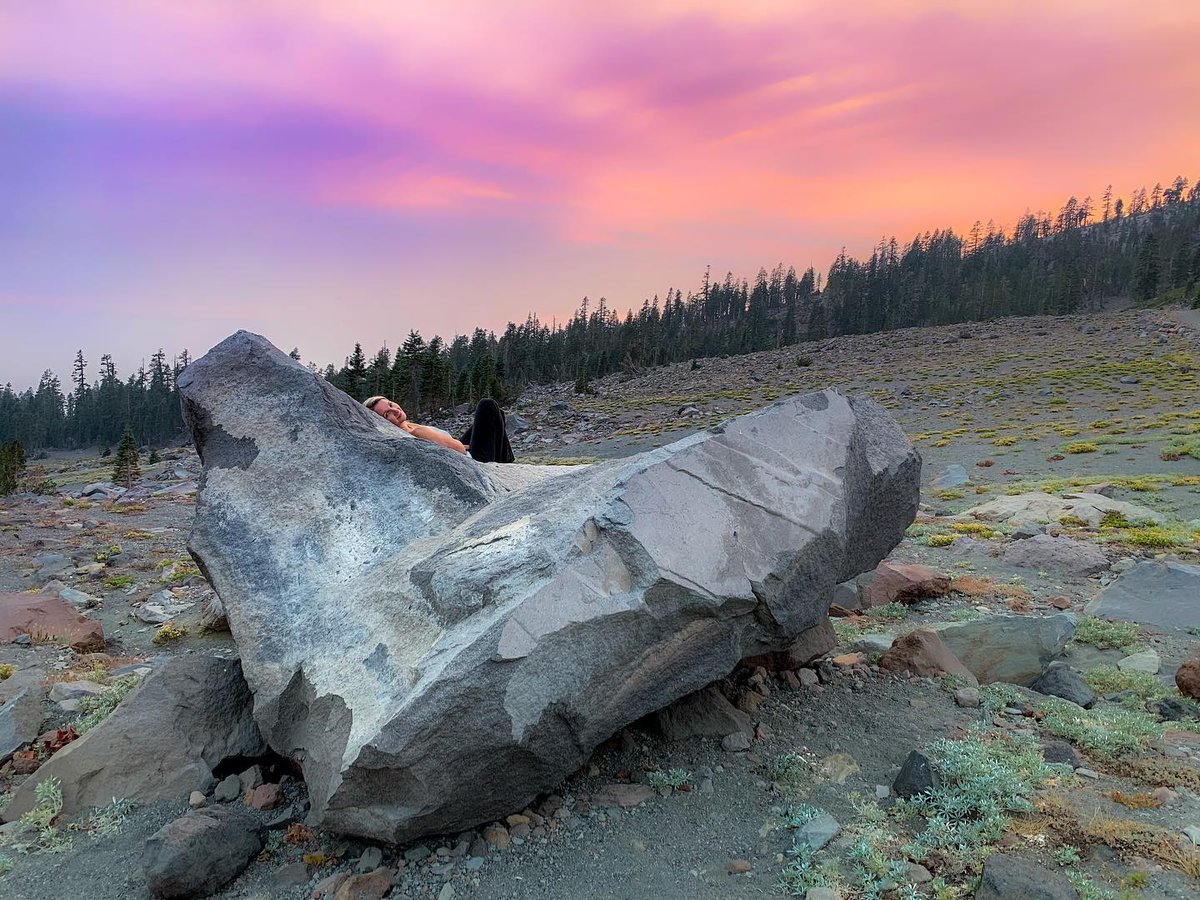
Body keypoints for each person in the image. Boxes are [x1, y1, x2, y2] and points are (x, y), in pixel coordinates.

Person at [363, 396, 514, 463]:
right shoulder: (413, 432)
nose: (395, 410)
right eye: (387, 414)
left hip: (462, 451)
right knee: (487, 405)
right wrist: (469, 445)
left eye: (390, 404)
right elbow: (459, 449)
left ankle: (504, 458)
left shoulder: (410, 426)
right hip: (472, 461)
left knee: (496, 415)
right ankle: (505, 460)